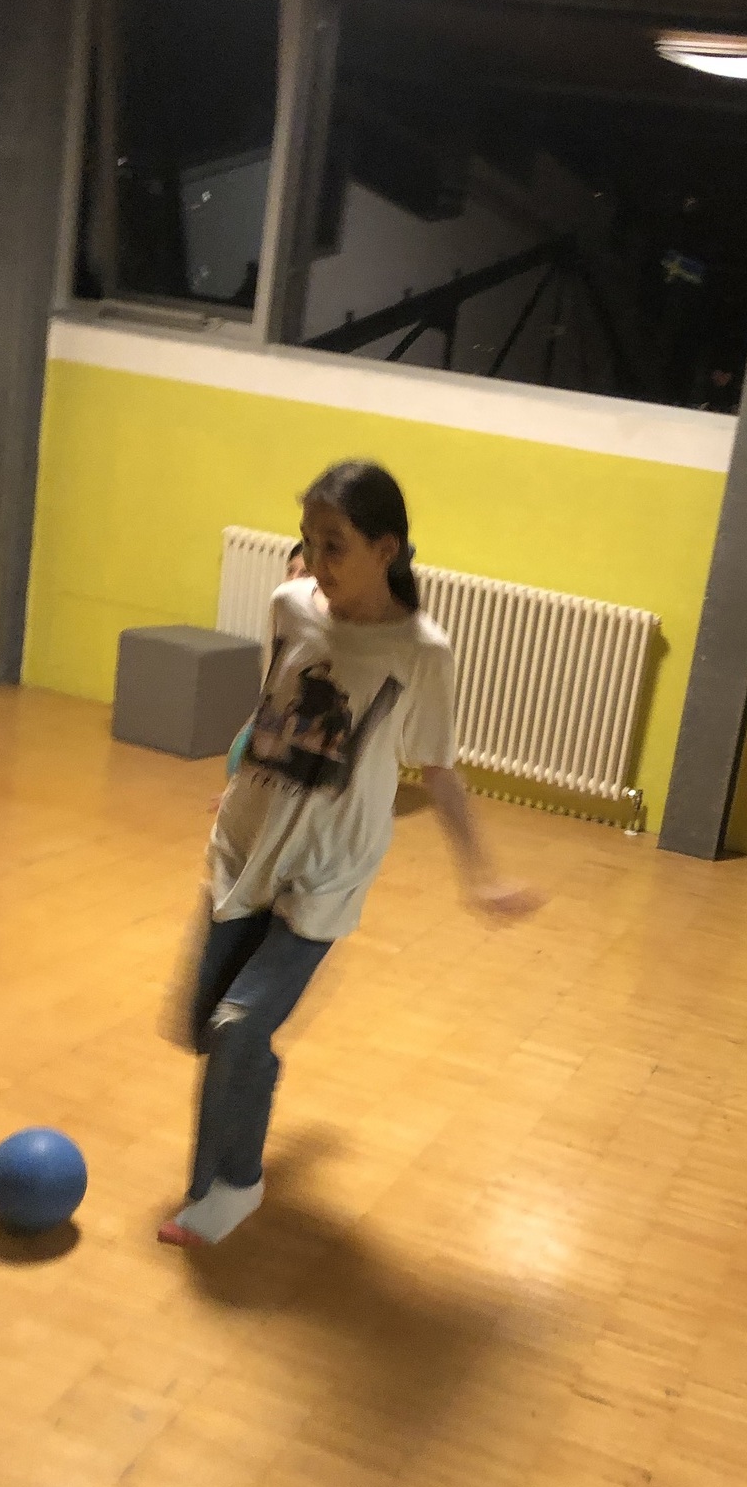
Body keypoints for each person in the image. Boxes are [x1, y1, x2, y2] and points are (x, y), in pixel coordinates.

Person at [160, 460, 537, 1248]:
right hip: (246, 844)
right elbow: (270, 705)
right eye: (308, 541)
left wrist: (481, 876)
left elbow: (439, 769)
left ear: (385, 549)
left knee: (237, 1025)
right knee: (203, 1028)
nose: (315, 561)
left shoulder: (421, 651)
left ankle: (231, 1186)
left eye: (334, 545)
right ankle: (251, 1084)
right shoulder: (289, 606)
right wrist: (238, 783)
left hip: (328, 869)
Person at [223, 542, 308, 783]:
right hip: (276, 717)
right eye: (290, 571)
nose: (293, 580)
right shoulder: (281, 617)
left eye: (304, 574)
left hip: (301, 729)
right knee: (239, 758)